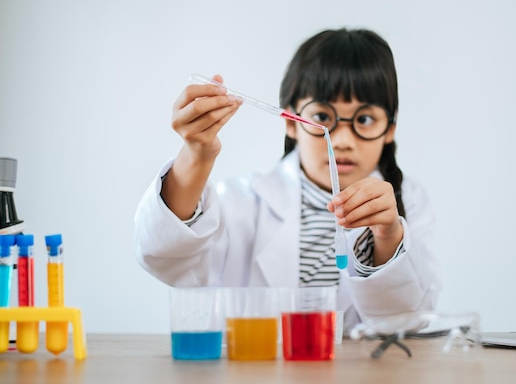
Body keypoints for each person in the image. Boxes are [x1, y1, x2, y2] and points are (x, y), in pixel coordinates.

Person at [134, 28, 441, 332]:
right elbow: (166, 257)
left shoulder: (409, 202)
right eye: (322, 117)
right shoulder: (243, 202)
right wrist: (197, 156)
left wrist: (388, 236)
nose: (344, 140)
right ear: (291, 122)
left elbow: (409, 319)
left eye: (364, 119)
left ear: (390, 128)